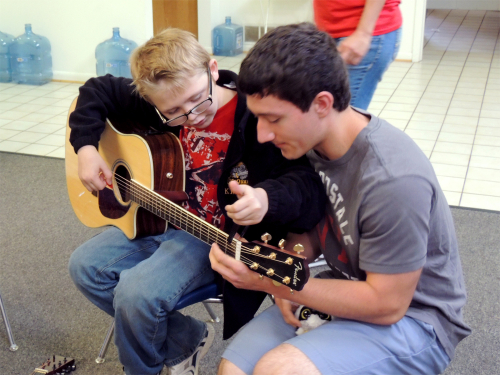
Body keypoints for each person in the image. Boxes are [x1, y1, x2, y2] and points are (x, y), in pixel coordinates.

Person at [210, 23, 471, 375]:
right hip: (347, 286)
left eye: (273, 119)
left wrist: (271, 282)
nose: (262, 134)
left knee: (277, 370)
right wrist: (283, 264)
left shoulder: (392, 178)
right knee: (233, 369)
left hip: (415, 320)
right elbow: (318, 228)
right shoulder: (311, 146)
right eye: (257, 117)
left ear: (322, 104)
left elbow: (387, 304)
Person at [67, 28, 326, 375]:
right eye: (174, 111)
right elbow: (95, 89)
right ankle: (184, 341)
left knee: (136, 294)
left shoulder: (255, 118)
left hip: (216, 239)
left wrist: (266, 198)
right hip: (160, 218)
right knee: (84, 267)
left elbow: (305, 182)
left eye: (197, 99)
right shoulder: (159, 102)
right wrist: (85, 148)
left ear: (213, 70)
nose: (191, 116)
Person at [313, 0, 402, 110]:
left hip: (362, 33)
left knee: (342, 116)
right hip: (328, 29)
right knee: (323, 111)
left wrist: (363, 34)